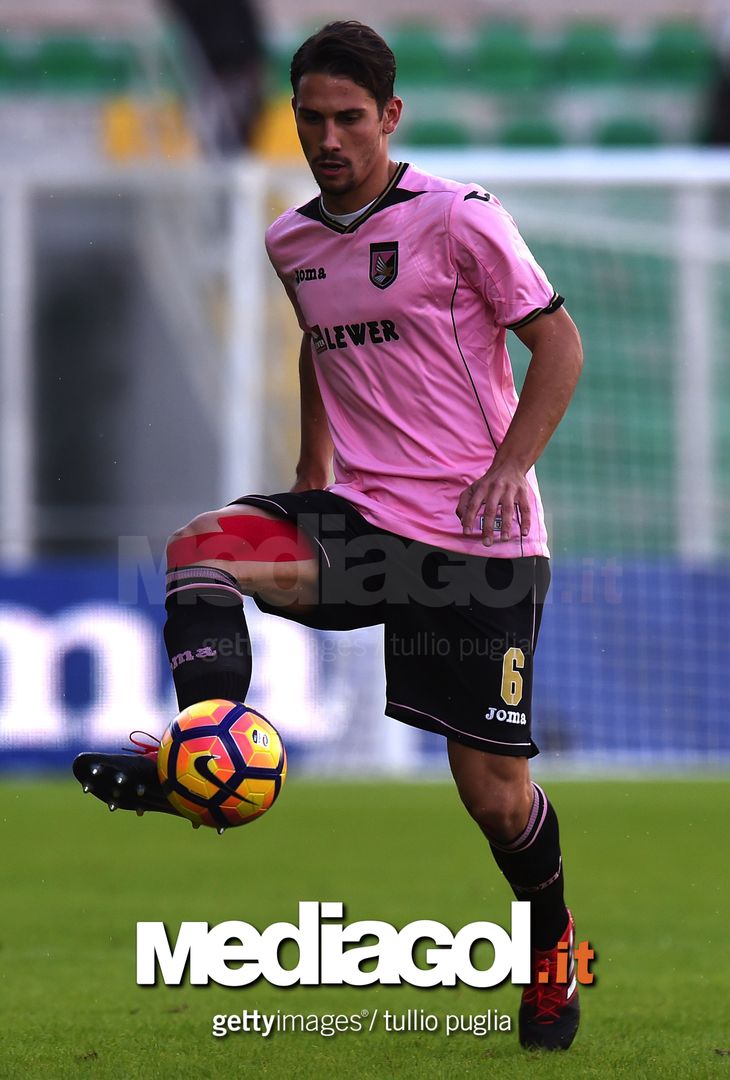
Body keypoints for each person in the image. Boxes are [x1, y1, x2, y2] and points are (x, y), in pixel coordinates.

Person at [73, 21, 584, 1051]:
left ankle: (552, 949)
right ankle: (201, 748)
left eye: (349, 118)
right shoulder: (290, 242)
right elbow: (321, 342)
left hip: (477, 545)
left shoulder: (460, 219)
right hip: (365, 522)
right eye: (310, 118)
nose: (328, 138)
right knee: (201, 549)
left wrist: (509, 466)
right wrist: (314, 468)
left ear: (390, 116)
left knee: (494, 800)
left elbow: (558, 345)